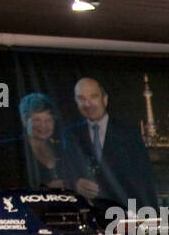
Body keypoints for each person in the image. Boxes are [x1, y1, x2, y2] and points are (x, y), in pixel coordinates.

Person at [61, 77, 158, 208]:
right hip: (86, 217)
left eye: (93, 97)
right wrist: (75, 184)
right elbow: (65, 174)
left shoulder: (129, 134)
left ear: (105, 99)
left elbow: (145, 180)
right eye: (82, 99)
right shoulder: (70, 135)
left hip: (124, 215)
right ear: (76, 102)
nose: (88, 104)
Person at [0, 93, 65, 190]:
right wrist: (44, 189)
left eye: (48, 120)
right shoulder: (3, 150)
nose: (44, 126)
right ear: (24, 120)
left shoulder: (62, 149)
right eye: (37, 120)